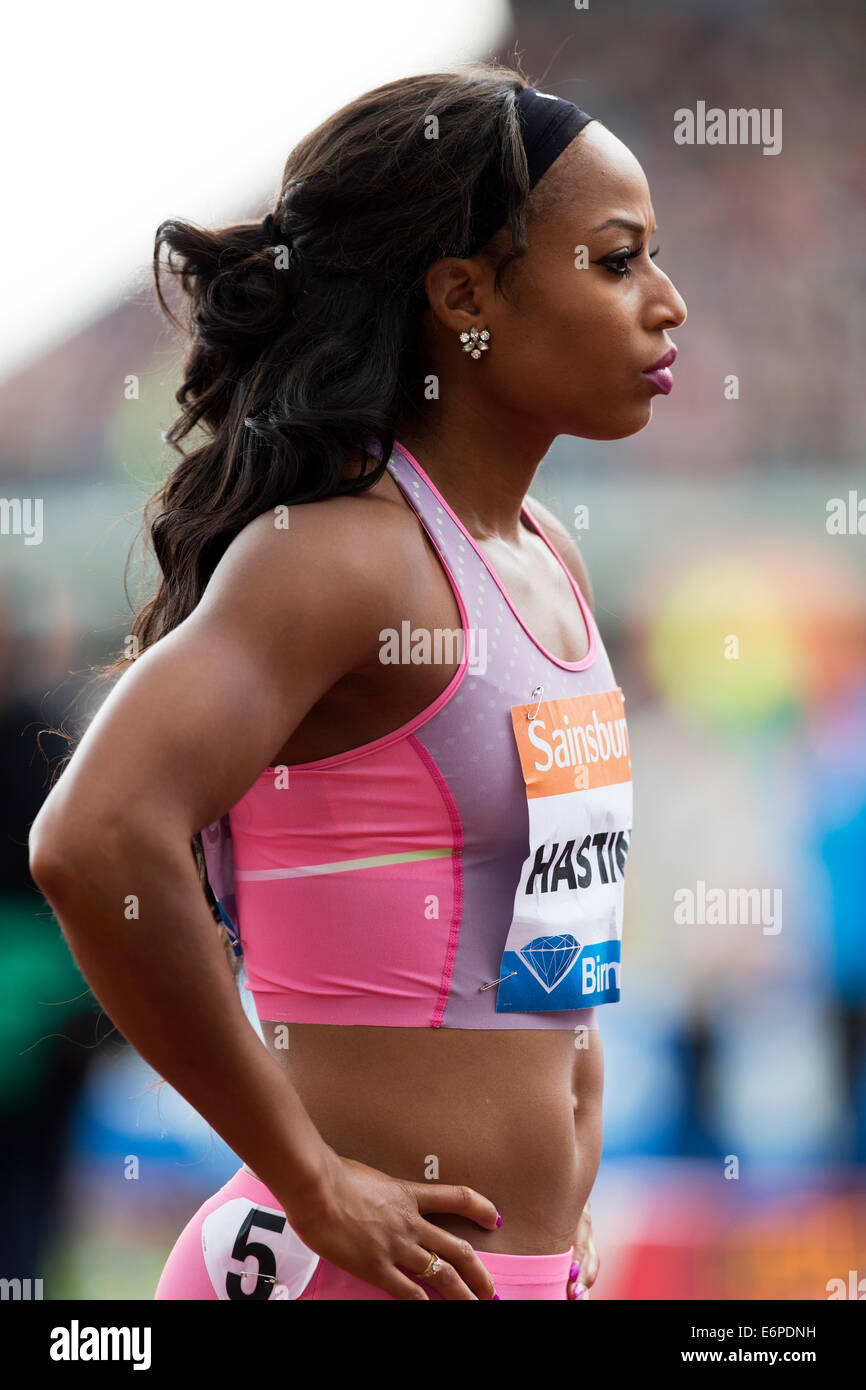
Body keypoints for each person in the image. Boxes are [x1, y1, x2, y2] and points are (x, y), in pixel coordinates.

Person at [28, 62, 687, 1301]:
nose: (668, 304)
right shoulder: (341, 560)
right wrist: (314, 1182)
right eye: (615, 260)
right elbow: (96, 837)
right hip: (343, 1273)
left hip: (519, 1273)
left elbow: (548, 952)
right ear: (464, 296)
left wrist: (561, 1197)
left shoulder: (548, 559)